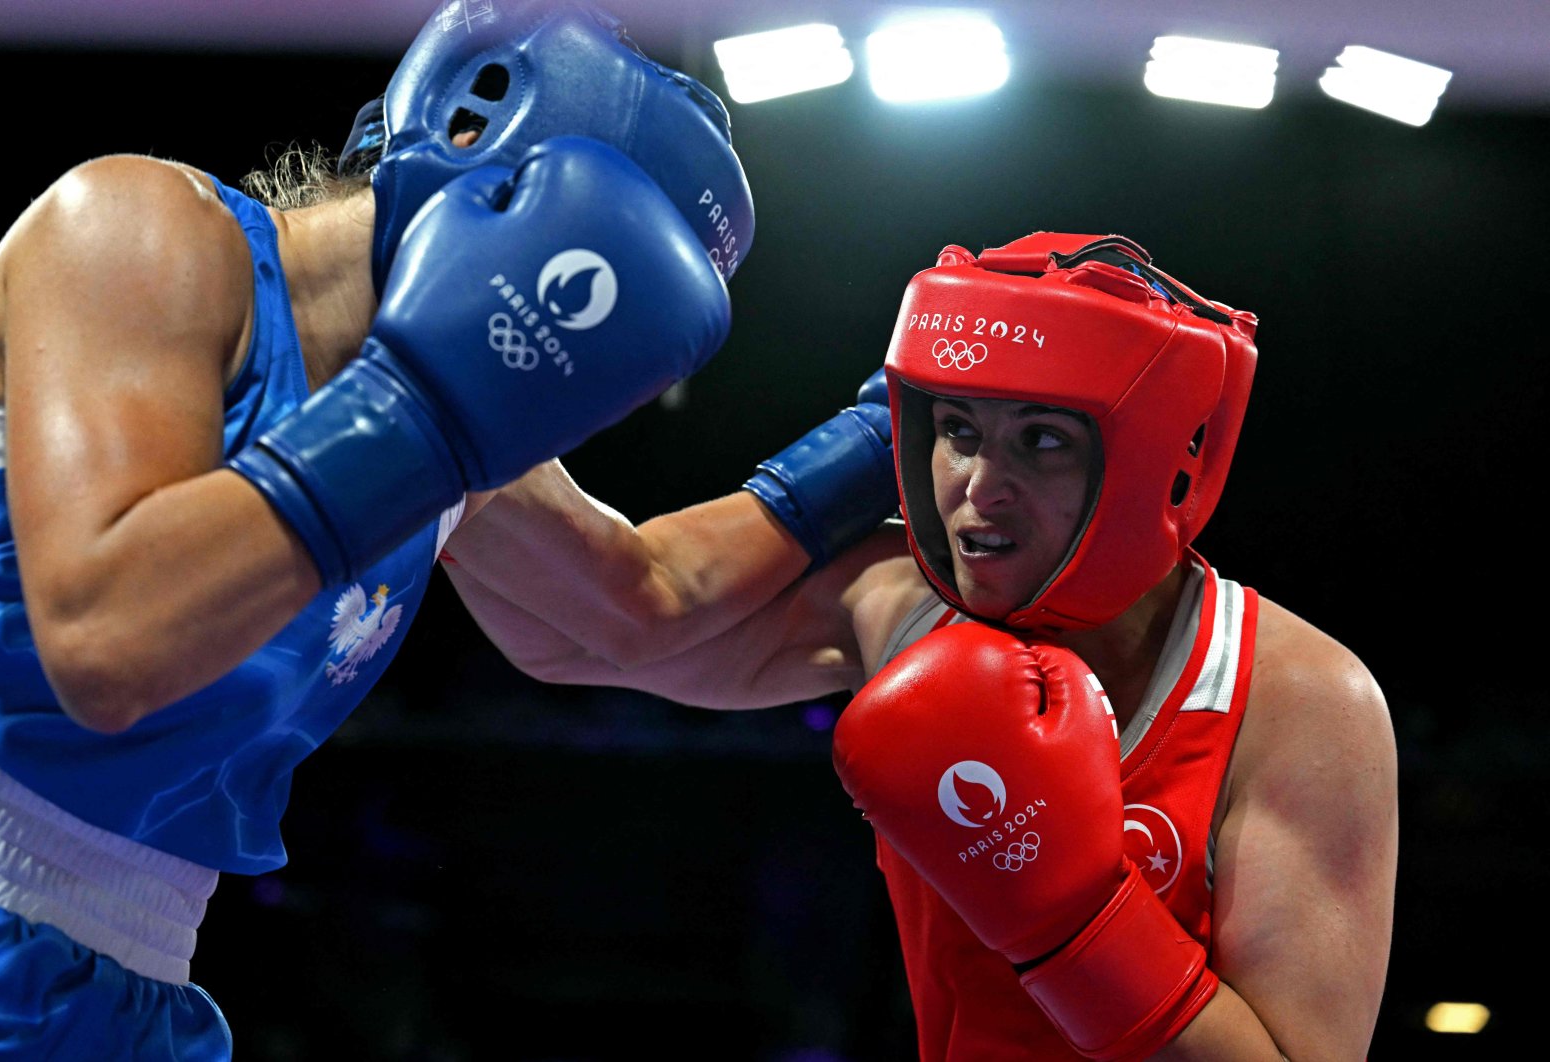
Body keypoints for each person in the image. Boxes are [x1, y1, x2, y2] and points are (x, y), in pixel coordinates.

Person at [0, 0, 765, 1054]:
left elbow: (650, 598)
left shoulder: (448, 435)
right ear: (473, 127)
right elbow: (105, 644)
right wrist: (421, 416)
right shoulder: (137, 232)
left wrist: (896, 438)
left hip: (130, 979)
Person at [442, 231, 1399, 1059]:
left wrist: (1076, 926)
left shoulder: (1294, 697)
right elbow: (589, 632)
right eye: (955, 430)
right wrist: (420, 378)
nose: (980, 487)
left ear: (1149, 456)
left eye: (1043, 442)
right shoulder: (903, 607)